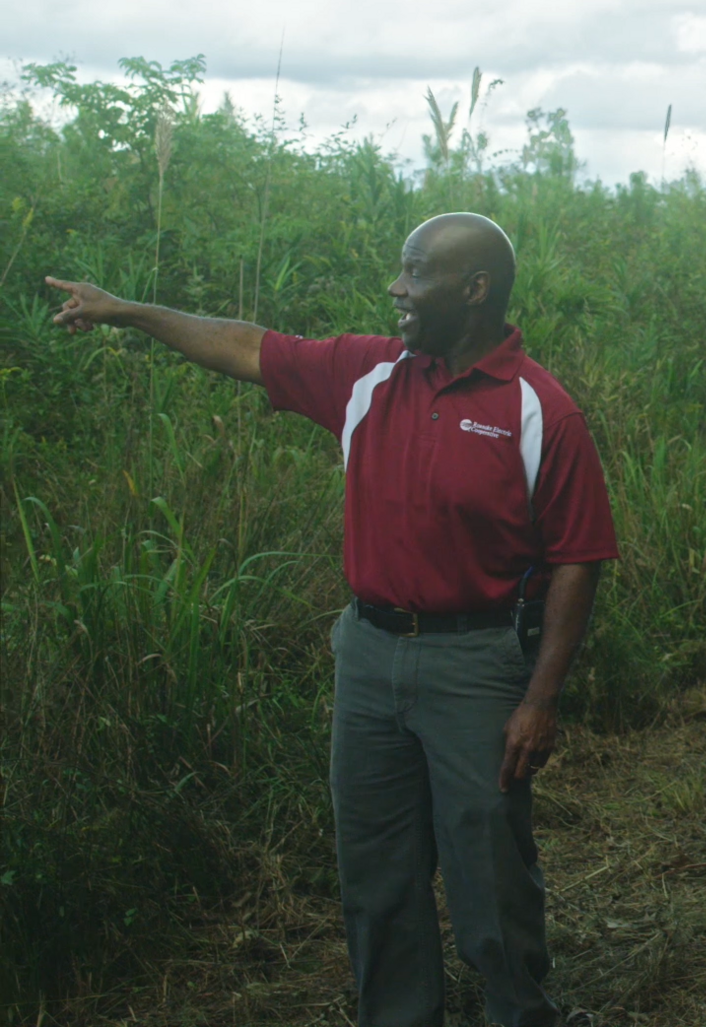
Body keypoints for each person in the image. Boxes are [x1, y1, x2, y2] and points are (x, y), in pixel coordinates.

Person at [46, 212, 619, 1027]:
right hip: (368, 655)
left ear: (475, 289)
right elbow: (247, 345)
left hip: (479, 665)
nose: (396, 288)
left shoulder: (539, 410)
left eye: (415, 273)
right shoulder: (369, 373)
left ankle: (520, 1011)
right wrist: (127, 309)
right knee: (377, 870)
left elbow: (578, 558)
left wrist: (541, 697)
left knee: (488, 867)